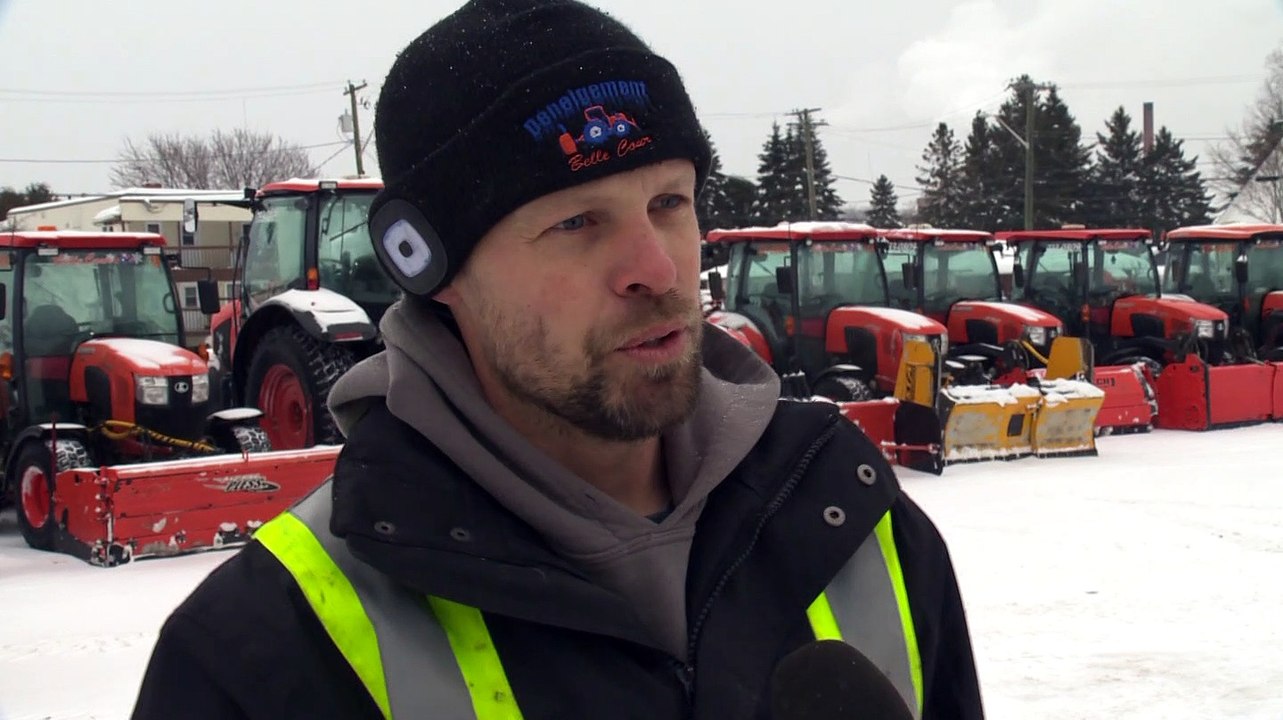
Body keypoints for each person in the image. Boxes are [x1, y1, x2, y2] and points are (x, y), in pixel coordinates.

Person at [131, 1, 984, 717]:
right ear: (434, 270)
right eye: (577, 223)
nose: (656, 269)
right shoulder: (263, 657)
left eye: (669, 202)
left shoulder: (857, 523)